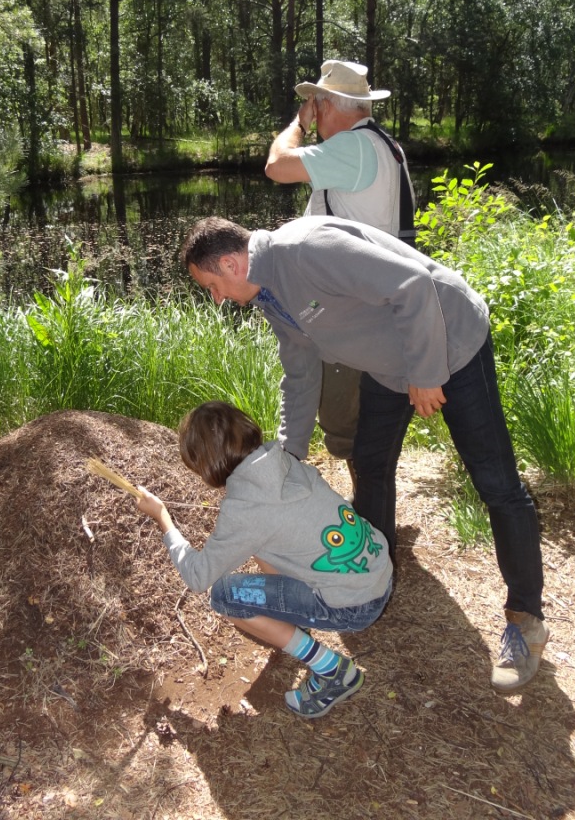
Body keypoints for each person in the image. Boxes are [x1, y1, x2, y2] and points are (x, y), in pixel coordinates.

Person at [181, 215, 548, 692]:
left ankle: (526, 620)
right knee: (370, 464)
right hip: (388, 365)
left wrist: (427, 371)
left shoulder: (309, 249)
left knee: (496, 483)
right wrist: (287, 458)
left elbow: (413, 284)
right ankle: (368, 582)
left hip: (448, 341)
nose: (216, 297)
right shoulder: (268, 296)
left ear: (231, 263)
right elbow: (299, 373)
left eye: (211, 285)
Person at [133, 400, 393, 719]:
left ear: (206, 464)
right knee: (266, 545)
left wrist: (162, 518)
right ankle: (295, 623)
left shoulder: (245, 511)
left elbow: (198, 576)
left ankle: (334, 672)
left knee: (226, 596)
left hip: (355, 605)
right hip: (378, 569)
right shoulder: (284, 461)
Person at [265, 59, 416, 476]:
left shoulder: (350, 148)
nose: (314, 111)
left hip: (352, 303)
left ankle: (370, 509)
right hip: (381, 295)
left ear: (328, 106)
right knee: (369, 407)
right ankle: (375, 497)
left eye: (316, 103)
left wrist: (297, 123)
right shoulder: (388, 147)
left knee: (342, 417)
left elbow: (276, 165)